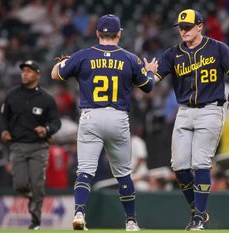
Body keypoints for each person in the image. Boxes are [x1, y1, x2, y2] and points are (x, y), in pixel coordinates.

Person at [51, 14, 157, 231]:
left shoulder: (83, 55)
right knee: (123, 174)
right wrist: (151, 73)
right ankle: (131, 222)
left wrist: (63, 63)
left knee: (85, 171)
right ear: (119, 34)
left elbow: (55, 75)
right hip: (118, 118)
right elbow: (148, 87)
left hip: (91, 116)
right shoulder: (130, 58)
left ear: (98, 33)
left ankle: (80, 212)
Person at [154, 9, 229, 230]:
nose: (183, 31)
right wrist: (146, 73)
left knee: (200, 163)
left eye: (188, 26)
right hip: (184, 110)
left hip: (210, 110)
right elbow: (151, 80)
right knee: (179, 166)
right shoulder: (173, 53)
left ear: (200, 26)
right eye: (181, 27)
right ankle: (196, 210)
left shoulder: (217, 47)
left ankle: (198, 219)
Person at [0, 60, 61, 230]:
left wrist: (46, 129)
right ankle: (30, 197)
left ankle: (36, 221)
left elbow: (56, 122)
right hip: (17, 145)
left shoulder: (46, 98)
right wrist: (4, 130)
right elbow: (3, 116)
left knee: (38, 185)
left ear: (37, 75)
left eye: (29, 71)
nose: (25, 73)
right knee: (20, 184)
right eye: (23, 71)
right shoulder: (12, 95)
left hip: (39, 147)